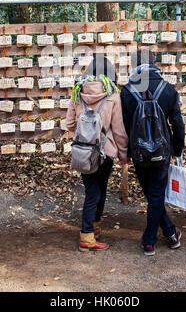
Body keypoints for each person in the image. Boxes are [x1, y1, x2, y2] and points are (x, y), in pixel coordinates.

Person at [120, 50, 185, 256]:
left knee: (152, 194)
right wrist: (177, 148)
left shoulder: (127, 91)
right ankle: (154, 239)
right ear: (154, 63)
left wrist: (127, 152)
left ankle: (166, 234)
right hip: (162, 152)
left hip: (139, 154)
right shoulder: (168, 89)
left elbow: (125, 126)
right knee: (155, 195)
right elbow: (178, 124)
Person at [66, 56, 128, 252]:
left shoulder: (77, 94)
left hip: (83, 152)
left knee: (92, 190)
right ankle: (88, 234)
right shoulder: (113, 96)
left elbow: (69, 124)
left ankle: (93, 228)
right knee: (98, 190)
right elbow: (118, 130)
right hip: (105, 152)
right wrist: (124, 154)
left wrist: (84, 132)